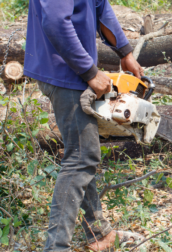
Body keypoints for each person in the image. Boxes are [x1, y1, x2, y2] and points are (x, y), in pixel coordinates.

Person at [23, 1, 144, 251]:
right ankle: (56, 247)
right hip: (65, 71)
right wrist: (89, 72)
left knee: (82, 151)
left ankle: (98, 233)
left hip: (70, 70)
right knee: (81, 157)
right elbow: (55, 21)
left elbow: (101, 7)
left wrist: (126, 52)